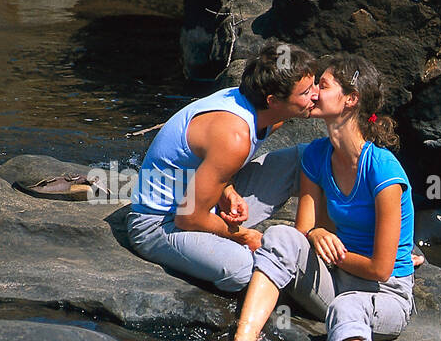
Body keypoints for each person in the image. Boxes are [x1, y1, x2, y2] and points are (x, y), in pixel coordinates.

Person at [202, 54, 416, 341]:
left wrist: (331, 252)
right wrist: (316, 232)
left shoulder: (383, 170)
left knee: (348, 308)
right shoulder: (317, 154)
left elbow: (381, 269)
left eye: (324, 85)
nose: (313, 93)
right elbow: (302, 231)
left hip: (385, 293)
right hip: (336, 280)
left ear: (351, 100)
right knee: (281, 235)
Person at [126, 41, 321, 291]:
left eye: (314, 84)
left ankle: (318, 242)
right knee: (245, 269)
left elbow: (209, 163)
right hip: (161, 223)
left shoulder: (267, 114)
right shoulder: (234, 135)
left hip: (198, 203)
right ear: (273, 101)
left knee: (308, 157)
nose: (315, 95)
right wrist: (242, 235)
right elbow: (188, 218)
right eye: (305, 93)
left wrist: (227, 190)